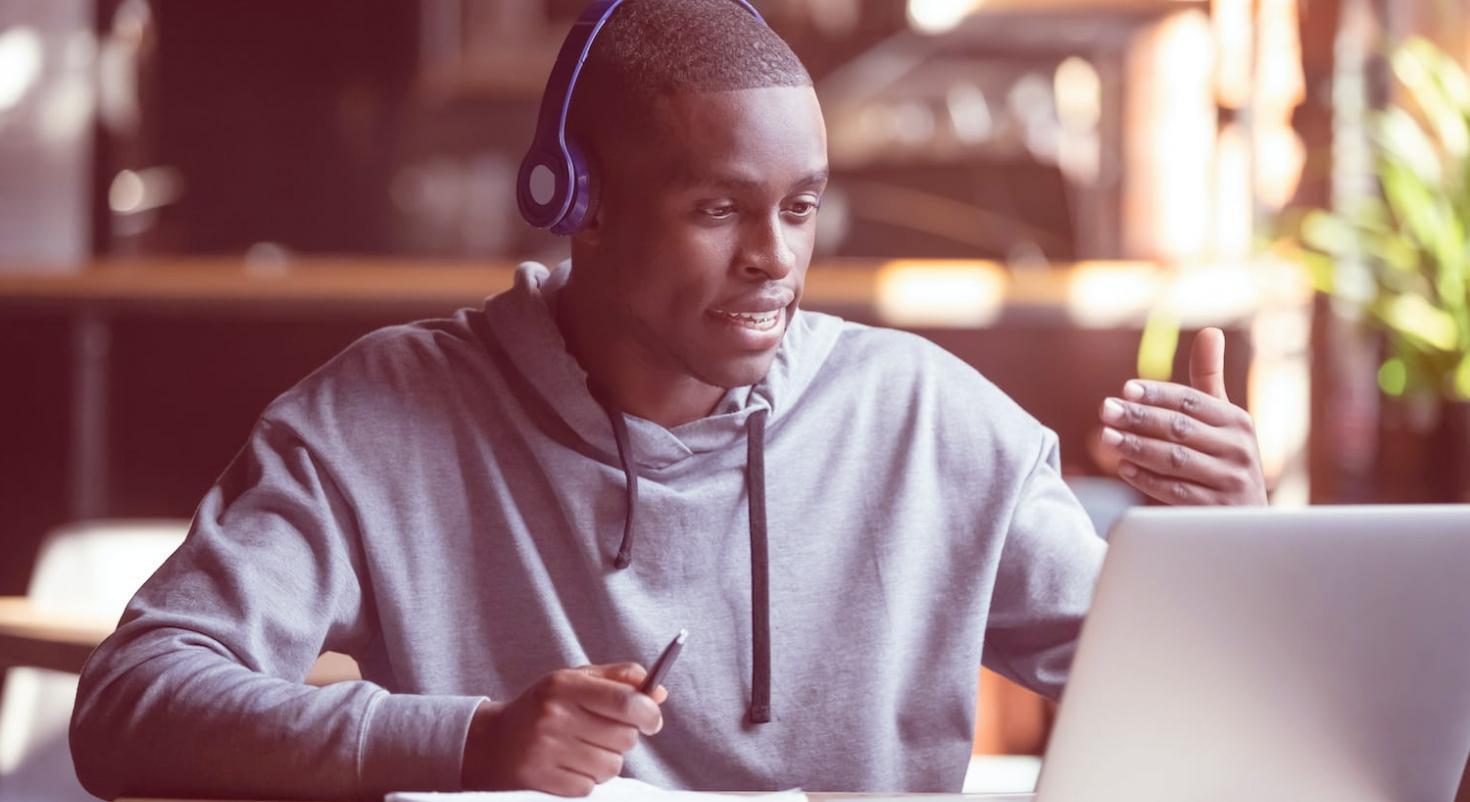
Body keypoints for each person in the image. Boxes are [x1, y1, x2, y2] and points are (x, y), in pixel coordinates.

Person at [69, 1, 1266, 799]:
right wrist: (472, 740)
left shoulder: (933, 423)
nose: (774, 259)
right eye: (718, 209)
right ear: (577, 202)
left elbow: (1224, 727)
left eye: (801, 207)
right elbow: (132, 705)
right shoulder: (387, 412)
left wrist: (1237, 550)